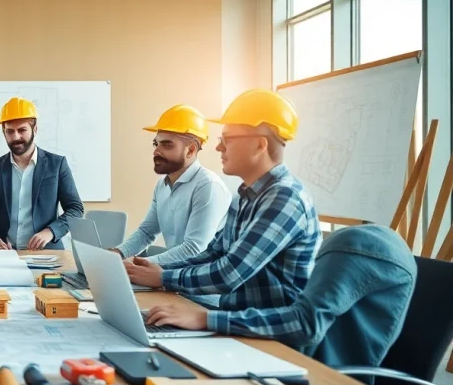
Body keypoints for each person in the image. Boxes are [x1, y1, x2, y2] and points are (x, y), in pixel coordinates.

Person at [127, 89, 322, 337]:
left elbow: (229, 273)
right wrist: (157, 273)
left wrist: (164, 278)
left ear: (259, 145)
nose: (218, 147)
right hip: (235, 324)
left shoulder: (284, 198)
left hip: (268, 337)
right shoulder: (244, 195)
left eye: (227, 139)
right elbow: (214, 253)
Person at [145, 225, 416, 369]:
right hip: (280, 347)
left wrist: (207, 319)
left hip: (314, 372)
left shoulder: (355, 248)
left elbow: (305, 324)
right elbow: (218, 255)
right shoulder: (246, 205)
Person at [114, 105, 231, 308]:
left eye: (166, 145)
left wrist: (138, 266)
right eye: (156, 144)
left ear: (191, 149)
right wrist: (118, 254)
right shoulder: (162, 185)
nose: (156, 151)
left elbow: (195, 248)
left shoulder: (208, 186)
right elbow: (146, 232)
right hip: (171, 286)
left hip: (203, 298)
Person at [0, 97, 84, 251]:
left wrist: (51, 232)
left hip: (47, 254)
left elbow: (75, 209)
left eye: (22, 130)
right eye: (10, 131)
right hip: (4, 254)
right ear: (4, 132)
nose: (16, 137)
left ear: (35, 129)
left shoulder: (57, 164)